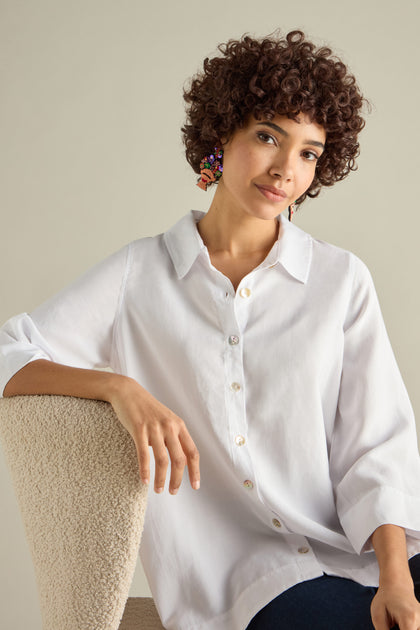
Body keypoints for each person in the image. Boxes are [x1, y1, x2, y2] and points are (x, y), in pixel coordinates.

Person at [1, 29, 420, 630]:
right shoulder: (138, 275)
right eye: (268, 136)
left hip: (362, 550)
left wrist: (397, 581)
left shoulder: (340, 280)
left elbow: (376, 445)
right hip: (242, 582)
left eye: (308, 152)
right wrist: (121, 388)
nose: (285, 170)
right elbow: (8, 353)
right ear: (220, 134)